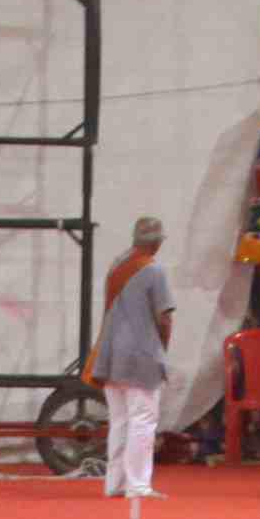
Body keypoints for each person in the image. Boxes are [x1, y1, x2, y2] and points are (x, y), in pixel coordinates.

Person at [91, 214, 177, 501]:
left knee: (119, 421)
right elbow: (164, 317)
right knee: (143, 420)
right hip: (141, 355)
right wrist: (162, 349)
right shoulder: (154, 270)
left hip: (110, 353)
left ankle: (114, 484)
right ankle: (138, 485)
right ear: (156, 243)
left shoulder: (117, 265)